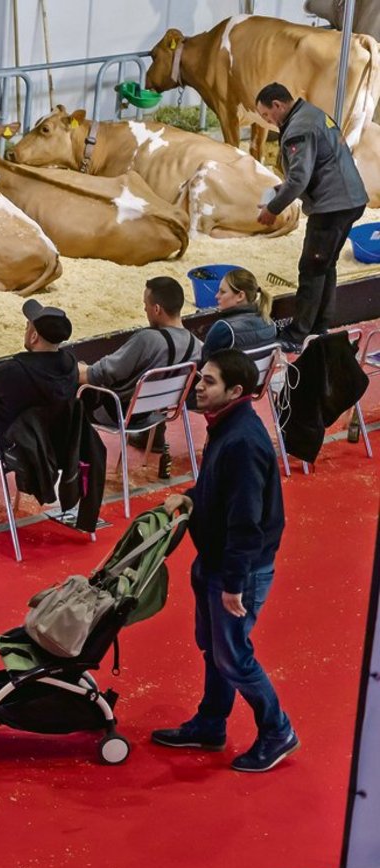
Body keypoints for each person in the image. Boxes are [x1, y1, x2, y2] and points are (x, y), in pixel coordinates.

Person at [156, 349, 297, 773]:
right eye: (200, 377)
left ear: (235, 391)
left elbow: (246, 522)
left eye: (209, 381)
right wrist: (192, 496)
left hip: (237, 570)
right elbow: (221, 493)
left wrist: (235, 584)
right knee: (214, 649)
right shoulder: (226, 426)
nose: (198, 385)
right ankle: (211, 723)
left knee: (233, 656)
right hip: (217, 561)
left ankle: (278, 731)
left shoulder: (241, 442)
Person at [254, 82, 369, 350]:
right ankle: (321, 325)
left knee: (311, 269)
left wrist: (273, 208)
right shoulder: (313, 114)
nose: (267, 121)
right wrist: (279, 189)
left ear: (278, 105)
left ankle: (297, 334)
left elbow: (299, 180)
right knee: (325, 265)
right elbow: (319, 164)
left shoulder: (298, 129)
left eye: (266, 115)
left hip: (332, 209)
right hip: (350, 200)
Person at [79, 276, 202, 475]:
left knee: (74, 379)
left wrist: (73, 367)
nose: (144, 309)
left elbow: (98, 374)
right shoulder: (196, 345)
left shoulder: (148, 340)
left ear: (157, 309)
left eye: (146, 304)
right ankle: (151, 439)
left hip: (117, 412)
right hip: (153, 412)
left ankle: (75, 470)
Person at [0, 299, 77, 462]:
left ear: (34, 336)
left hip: (1, 446)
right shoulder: (71, 364)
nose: (26, 330)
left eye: (27, 326)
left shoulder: (15, 370)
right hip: (50, 447)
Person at [200, 268, 277, 360]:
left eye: (223, 292)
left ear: (240, 296)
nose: (217, 296)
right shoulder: (270, 323)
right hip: (261, 374)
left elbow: (204, 361)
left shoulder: (224, 328)